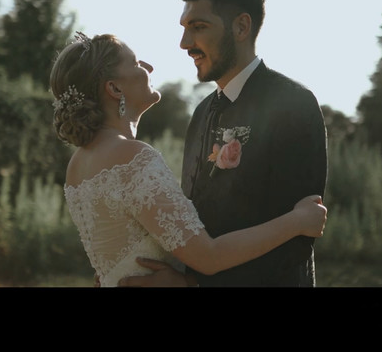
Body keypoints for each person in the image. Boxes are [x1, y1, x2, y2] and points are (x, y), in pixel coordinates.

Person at [49, 31, 327, 287]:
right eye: (135, 63)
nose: (148, 67)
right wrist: (298, 220)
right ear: (115, 88)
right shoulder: (131, 158)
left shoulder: (78, 164)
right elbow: (209, 256)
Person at [119, 0, 329, 287]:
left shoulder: (293, 104)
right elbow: (193, 219)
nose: (185, 43)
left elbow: (294, 246)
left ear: (241, 27)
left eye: (198, 27)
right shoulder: (202, 112)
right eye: (184, 29)